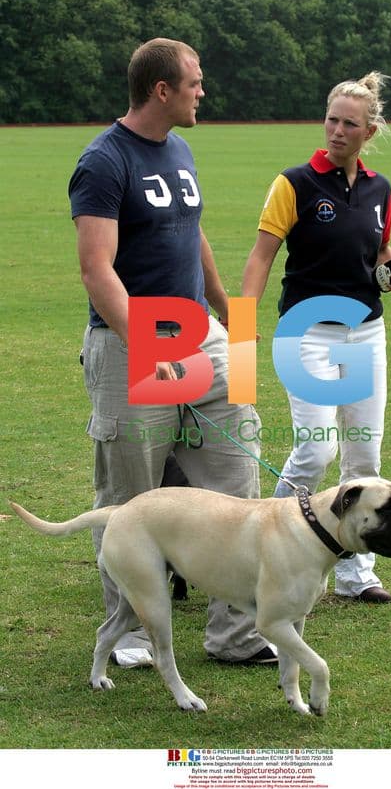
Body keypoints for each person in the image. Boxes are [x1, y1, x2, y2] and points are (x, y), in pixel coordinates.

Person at [69, 37, 277, 666]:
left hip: (201, 336)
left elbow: (191, 230)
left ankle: (237, 636)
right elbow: (96, 269)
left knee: (237, 480)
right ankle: (129, 633)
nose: (202, 92)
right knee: (133, 499)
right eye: (195, 82)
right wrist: (145, 348)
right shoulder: (103, 162)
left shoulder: (180, 148)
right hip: (139, 339)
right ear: (162, 90)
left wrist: (225, 310)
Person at [242, 72, 391, 603]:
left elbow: (378, 253)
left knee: (364, 456)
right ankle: (262, 550)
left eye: (350, 124)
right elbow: (260, 258)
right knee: (317, 451)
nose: (337, 131)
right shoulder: (293, 183)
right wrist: (241, 327)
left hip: (365, 331)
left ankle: (354, 573)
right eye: (332, 120)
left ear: (369, 132)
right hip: (307, 330)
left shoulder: (379, 189)